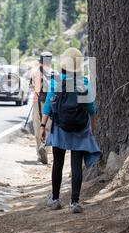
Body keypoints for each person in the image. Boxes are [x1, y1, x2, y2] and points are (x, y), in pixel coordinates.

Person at [40, 47, 101, 214]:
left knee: (58, 163)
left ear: (64, 65)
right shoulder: (85, 83)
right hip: (80, 130)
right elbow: (91, 110)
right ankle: (74, 203)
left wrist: (42, 126)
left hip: (59, 128)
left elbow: (47, 107)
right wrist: (92, 130)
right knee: (76, 166)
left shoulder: (55, 82)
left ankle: (55, 199)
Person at [31, 51, 53, 164]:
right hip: (51, 104)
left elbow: (33, 87)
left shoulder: (35, 72)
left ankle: (39, 155)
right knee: (49, 128)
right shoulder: (55, 73)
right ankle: (45, 148)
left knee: (37, 127)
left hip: (37, 103)